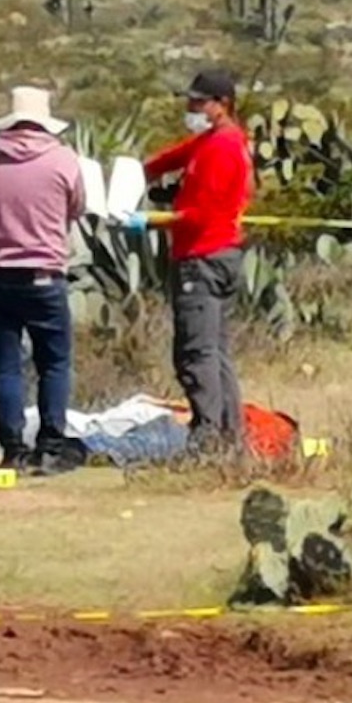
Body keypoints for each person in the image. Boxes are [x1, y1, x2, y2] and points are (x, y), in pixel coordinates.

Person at [0, 84, 87, 473]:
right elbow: (76, 207)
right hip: (44, 273)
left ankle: (12, 446)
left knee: (5, 364)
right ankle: (49, 444)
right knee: (54, 363)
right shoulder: (63, 159)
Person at [123, 68, 253, 452]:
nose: (191, 107)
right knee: (215, 351)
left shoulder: (222, 148)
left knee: (196, 353)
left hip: (203, 256)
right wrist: (133, 174)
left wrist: (153, 220)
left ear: (222, 105)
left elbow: (202, 213)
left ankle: (209, 438)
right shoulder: (210, 141)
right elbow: (168, 159)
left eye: (199, 101)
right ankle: (230, 435)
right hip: (214, 253)